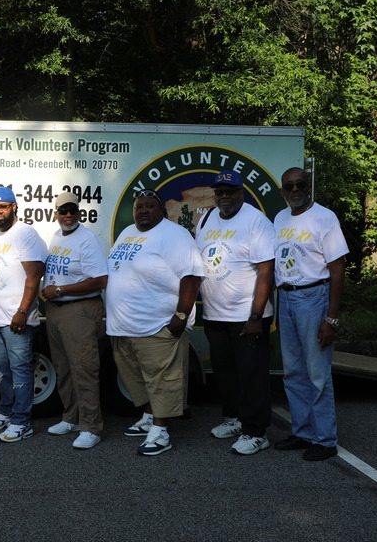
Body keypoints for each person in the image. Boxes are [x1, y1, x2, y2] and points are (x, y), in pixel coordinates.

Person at [106, 189, 203, 456]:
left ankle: (161, 432)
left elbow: (192, 277)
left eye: (150, 206)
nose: (143, 211)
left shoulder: (175, 235)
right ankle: (149, 417)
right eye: (139, 206)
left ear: (163, 211)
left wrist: (181, 315)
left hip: (157, 324)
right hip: (124, 325)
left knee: (162, 380)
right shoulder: (128, 233)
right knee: (138, 379)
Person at [195, 171, 275, 456]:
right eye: (220, 192)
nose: (224, 197)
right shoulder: (206, 219)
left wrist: (255, 317)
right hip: (216, 315)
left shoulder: (256, 221)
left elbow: (267, 270)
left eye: (230, 191)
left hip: (247, 317)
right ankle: (235, 419)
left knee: (251, 374)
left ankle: (256, 432)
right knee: (225, 373)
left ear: (242, 193)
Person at [273, 167, 348, 462]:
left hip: (313, 296)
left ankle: (326, 439)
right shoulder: (279, 218)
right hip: (287, 298)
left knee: (317, 374)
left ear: (309, 186)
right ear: (282, 191)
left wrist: (331, 319)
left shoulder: (324, 217)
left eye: (300, 184)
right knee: (293, 372)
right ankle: (302, 432)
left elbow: (338, 269)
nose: (295, 190)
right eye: (289, 186)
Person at [40, 192, 107, 450]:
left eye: (72, 210)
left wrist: (60, 291)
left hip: (79, 309)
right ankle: (72, 418)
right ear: (55, 213)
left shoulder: (88, 239)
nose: (68, 215)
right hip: (57, 310)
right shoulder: (57, 236)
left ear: (79, 212)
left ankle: (91, 427)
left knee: (84, 369)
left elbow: (100, 281)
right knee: (64, 367)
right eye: (63, 211)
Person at [0, 187, 48, 443]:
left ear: (14, 208)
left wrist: (22, 311)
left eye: (4, 207)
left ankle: (22, 422)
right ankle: (6, 413)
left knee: (20, 370)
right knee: (2, 370)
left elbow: (34, 275)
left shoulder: (25, 234)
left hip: (16, 319)